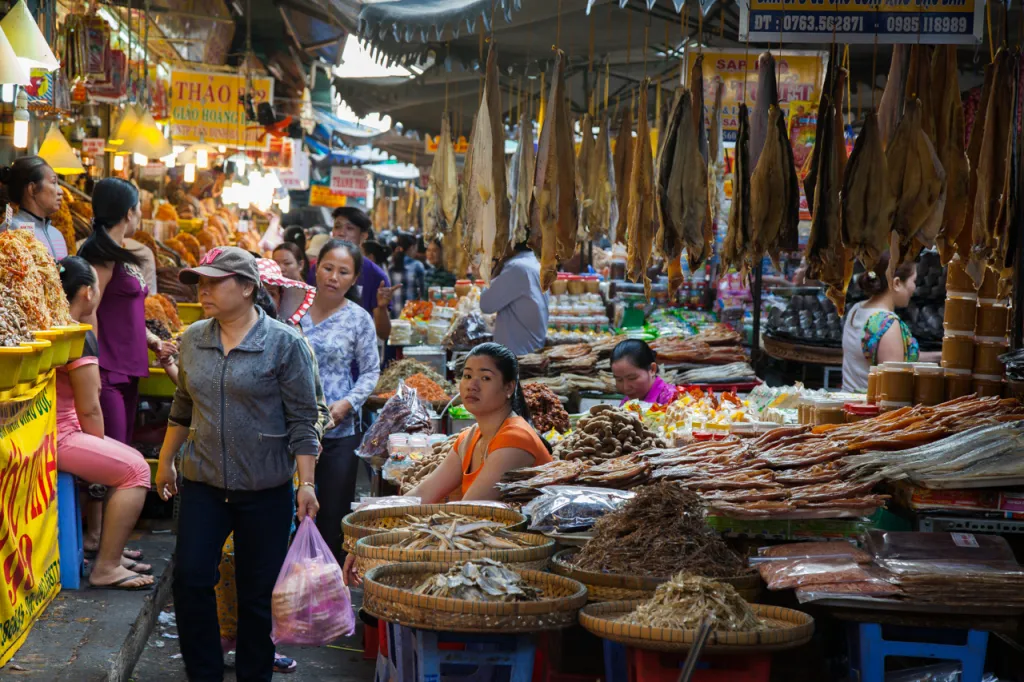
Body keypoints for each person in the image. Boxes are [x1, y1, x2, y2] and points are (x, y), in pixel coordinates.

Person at [154, 247, 321, 682]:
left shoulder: (285, 345)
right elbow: (183, 403)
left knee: (256, 596)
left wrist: (307, 485)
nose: (204, 291)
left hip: (265, 488)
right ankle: (205, 673)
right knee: (190, 578)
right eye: (201, 283)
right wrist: (165, 461)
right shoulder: (193, 338)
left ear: (248, 288)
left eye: (215, 282)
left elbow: (304, 419)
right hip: (204, 482)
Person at [343, 342, 551, 584]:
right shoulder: (470, 436)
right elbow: (421, 495)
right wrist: (367, 537)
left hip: (516, 564)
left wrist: (376, 546)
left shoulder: (514, 439)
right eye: (467, 375)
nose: (472, 385)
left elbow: (465, 513)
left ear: (508, 388)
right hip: (482, 554)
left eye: (485, 378)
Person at [56, 256, 154, 590]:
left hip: (51, 431)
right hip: (60, 436)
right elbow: (90, 410)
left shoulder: (51, 323)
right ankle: (106, 567)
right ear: (87, 293)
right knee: (137, 471)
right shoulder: (77, 336)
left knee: (131, 461)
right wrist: (98, 452)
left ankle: (110, 550)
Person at [297, 239, 380, 563]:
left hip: (338, 434)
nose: (333, 276)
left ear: (355, 278)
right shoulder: (293, 309)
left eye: (343, 271)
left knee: (331, 517)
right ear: (316, 268)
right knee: (289, 515)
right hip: (289, 431)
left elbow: (371, 371)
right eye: (328, 268)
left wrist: (347, 403)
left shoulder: (359, 319)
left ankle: (324, 592)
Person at [78, 178, 165, 445]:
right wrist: (91, 367)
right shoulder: (99, 254)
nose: (139, 215)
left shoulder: (117, 251)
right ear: (129, 212)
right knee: (116, 455)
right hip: (106, 370)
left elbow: (127, 310)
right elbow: (87, 309)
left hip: (128, 368)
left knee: (123, 447)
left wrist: (150, 338)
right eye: (138, 209)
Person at [842, 254, 941, 392]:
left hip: (851, 403)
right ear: (897, 283)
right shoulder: (887, 324)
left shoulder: (857, 309)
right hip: (871, 410)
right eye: (913, 281)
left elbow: (899, 356)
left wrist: (942, 356)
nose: (914, 288)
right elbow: (893, 388)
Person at [332, 206, 396, 341]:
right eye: (337, 227)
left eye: (349, 229)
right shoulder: (319, 268)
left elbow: (383, 334)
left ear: (363, 236)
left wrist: (382, 307)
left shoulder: (376, 276)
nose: (341, 233)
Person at [479, 243, 548, 355]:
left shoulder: (517, 268)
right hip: (528, 349)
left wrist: (496, 270)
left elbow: (486, 304)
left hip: (517, 354)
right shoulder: (534, 264)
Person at [0, 156, 67, 259]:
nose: (60, 191)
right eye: (53, 182)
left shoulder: (56, 234)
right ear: (32, 189)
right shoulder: (11, 231)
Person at [611, 339, 678, 404]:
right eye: (619, 380)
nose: (626, 388)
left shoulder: (673, 401)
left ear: (652, 369)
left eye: (632, 378)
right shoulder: (627, 402)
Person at [388, 232, 427, 313]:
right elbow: (423, 293)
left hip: (393, 315)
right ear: (412, 247)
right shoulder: (417, 266)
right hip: (410, 316)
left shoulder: (390, 264)